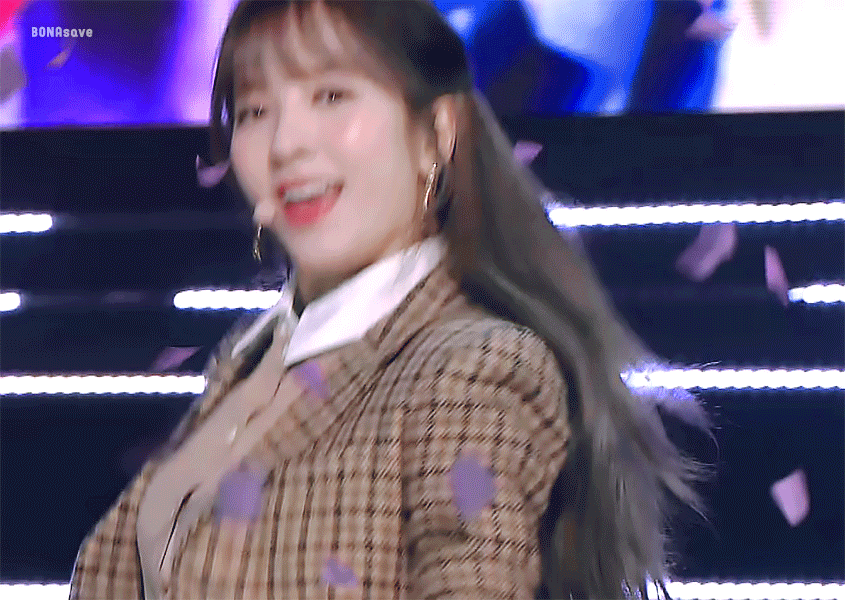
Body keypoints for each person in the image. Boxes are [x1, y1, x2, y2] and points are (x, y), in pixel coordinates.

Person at [69, 1, 711, 598]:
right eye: (255, 110)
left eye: (331, 96)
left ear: (435, 133)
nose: (286, 143)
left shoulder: (475, 369)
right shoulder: (253, 354)